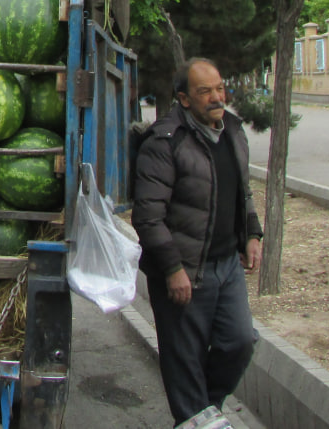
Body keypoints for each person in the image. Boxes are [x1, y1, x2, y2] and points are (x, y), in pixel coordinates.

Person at [130, 57, 264, 426]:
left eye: (219, 88)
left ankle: (204, 411)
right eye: (205, 91)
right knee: (184, 360)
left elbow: (243, 192)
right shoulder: (164, 141)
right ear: (184, 99)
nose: (216, 97)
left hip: (225, 267)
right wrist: (173, 269)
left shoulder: (232, 130)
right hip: (184, 269)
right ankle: (197, 416)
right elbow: (148, 216)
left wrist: (252, 233)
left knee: (239, 342)